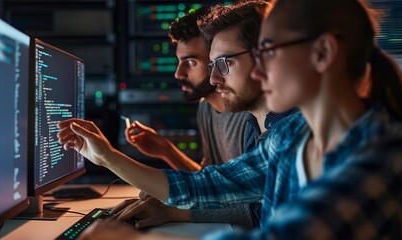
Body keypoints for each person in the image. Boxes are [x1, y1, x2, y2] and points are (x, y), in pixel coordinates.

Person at [59, 0, 402, 238]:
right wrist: (103, 155)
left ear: (323, 53)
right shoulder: (290, 136)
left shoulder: (384, 156)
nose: (260, 67)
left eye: (267, 51)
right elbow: (209, 185)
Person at [113, 1, 298, 229]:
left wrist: (105, 155)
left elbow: (219, 190)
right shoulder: (253, 123)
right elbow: (226, 191)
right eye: (213, 65)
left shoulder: (290, 132)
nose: (214, 79)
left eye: (223, 63)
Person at [124, 6, 250, 172]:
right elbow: (208, 182)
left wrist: (107, 156)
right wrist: (166, 151)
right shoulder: (205, 108)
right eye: (179, 61)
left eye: (191, 62)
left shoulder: (249, 114)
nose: (178, 74)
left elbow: (235, 192)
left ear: (216, 58)